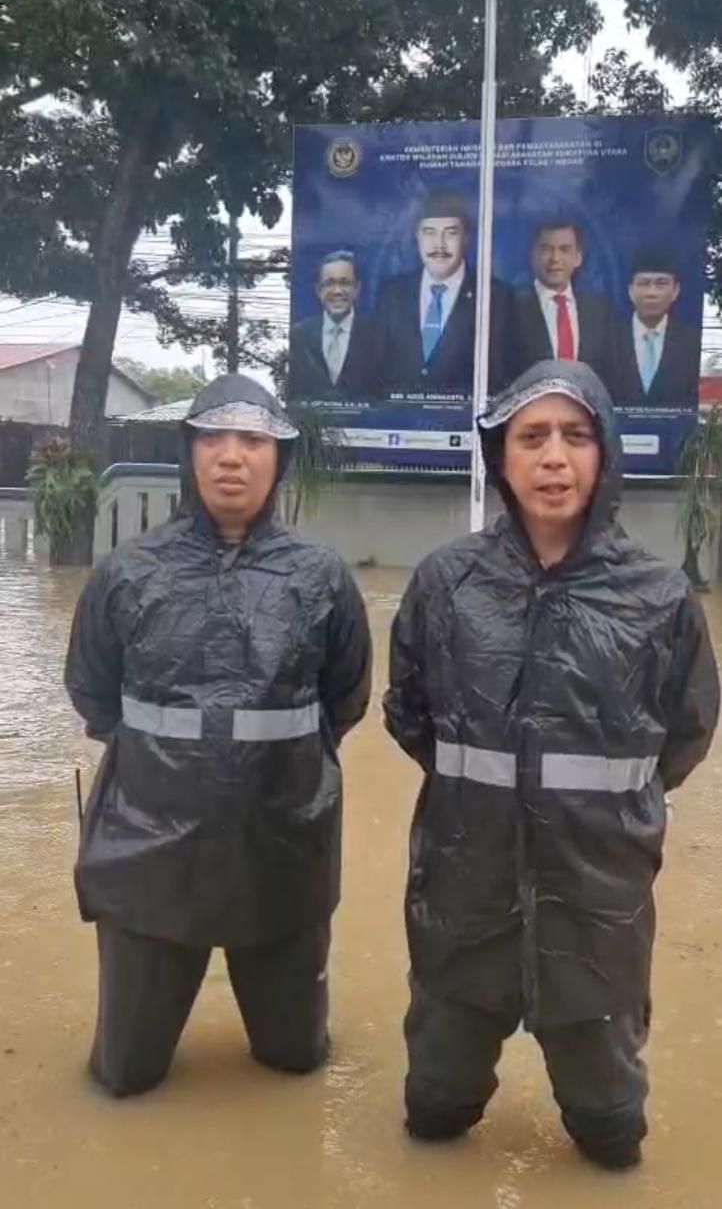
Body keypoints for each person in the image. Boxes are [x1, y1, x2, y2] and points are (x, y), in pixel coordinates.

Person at [384, 360, 719, 1170]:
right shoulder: (446, 584)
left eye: (576, 436)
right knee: (433, 1116)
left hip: (596, 905)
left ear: (605, 456)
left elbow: (686, 732)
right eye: (532, 438)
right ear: (501, 458)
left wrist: (600, 807)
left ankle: (603, 1112)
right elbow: (410, 713)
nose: (554, 459)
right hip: (463, 897)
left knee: (611, 1139)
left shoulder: (658, 597)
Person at [65, 373, 372, 1098]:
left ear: (279, 458)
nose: (232, 456)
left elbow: (346, 699)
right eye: (214, 438)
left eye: (254, 440)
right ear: (189, 452)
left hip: (283, 847)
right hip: (149, 851)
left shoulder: (322, 578)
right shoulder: (127, 574)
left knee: (296, 1063)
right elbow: (93, 694)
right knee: (125, 1077)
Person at [374, 189, 513, 396]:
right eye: (429, 232)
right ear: (417, 236)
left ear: (466, 238)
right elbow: (376, 374)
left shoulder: (495, 296)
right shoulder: (392, 294)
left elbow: (498, 381)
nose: (439, 244)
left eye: (451, 233)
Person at [514, 220, 617, 387]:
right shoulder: (511, 307)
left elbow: (610, 376)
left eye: (564, 250)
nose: (555, 258)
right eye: (547, 249)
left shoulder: (599, 311)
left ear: (578, 258)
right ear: (533, 256)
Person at [614, 246, 701, 408]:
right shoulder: (607, 338)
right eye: (644, 283)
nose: (651, 293)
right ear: (630, 291)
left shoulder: (692, 341)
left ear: (675, 291)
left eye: (661, 284)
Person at [288, 251, 375, 399]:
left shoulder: (378, 334)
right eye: (329, 283)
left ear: (357, 289)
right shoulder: (299, 335)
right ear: (318, 290)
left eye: (344, 283)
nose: (337, 291)